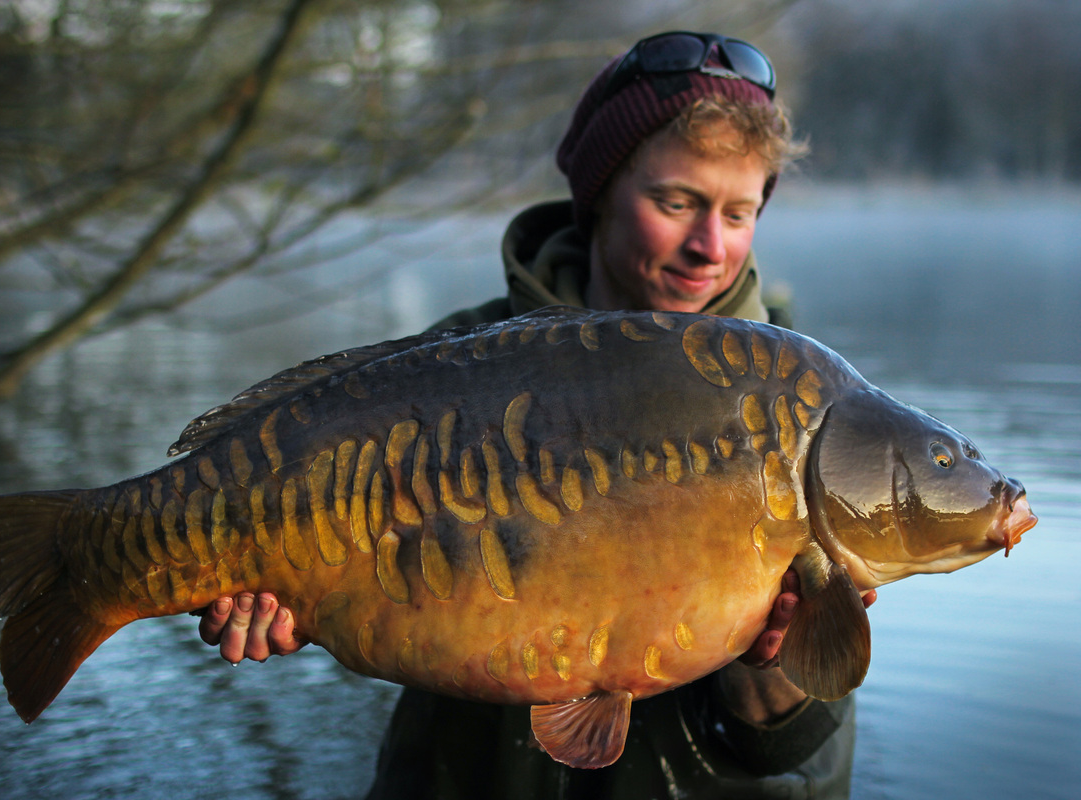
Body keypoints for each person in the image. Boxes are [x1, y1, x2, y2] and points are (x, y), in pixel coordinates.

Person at [197, 31, 876, 799]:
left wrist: (777, 668)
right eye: (675, 202)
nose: (709, 247)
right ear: (601, 193)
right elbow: (352, 567)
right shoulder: (447, 367)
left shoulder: (806, 415)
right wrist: (289, 600)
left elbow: (790, 751)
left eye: (740, 211)